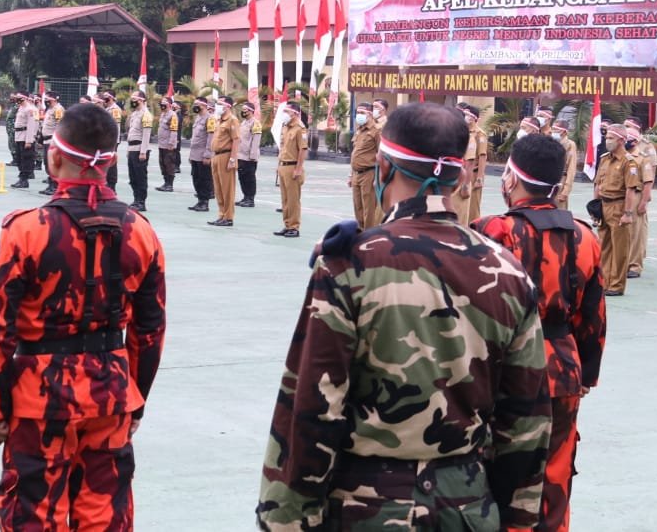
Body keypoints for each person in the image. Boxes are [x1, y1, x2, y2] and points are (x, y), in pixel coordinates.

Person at [257, 103, 550, 531]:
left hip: (366, 508)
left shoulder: (349, 265)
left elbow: (313, 408)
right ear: (462, 177)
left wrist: (285, 521)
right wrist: (518, 521)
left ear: (383, 167)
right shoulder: (507, 271)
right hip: (466, 507)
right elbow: (526, 420)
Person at [0, 102, 166, 532]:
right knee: (104, 514)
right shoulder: (140, 231)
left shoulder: (25, 231)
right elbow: (150, 329)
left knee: (34, 514)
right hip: (112, 392)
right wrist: (135, 399)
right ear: (112, 162)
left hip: (37, 397)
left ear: (54, 156)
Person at [475, 133, 606, 532]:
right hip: (561, 369)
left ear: (511, 178)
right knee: (555, 478)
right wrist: (586, 375)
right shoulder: (584, 236)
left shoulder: (492, 231)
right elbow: (593, 317)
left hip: (502, 369)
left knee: (494, 479)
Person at [593, 123, 642, 296]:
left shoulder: (629, 162)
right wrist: (595, 208)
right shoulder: (605, 158)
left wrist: (628, 213)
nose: (607, 141)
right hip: (604, 205)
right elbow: (598, 184)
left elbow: (631, 189)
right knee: (604, 247)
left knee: (619, 248)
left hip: (619, 205)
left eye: (611, 138)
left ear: (622, 140)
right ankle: (604, 281)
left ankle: (616, 285)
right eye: (607, 138)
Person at [624, 124, 657, 280]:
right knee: (622, 232)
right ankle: (622, 262)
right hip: (621, 196)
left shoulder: (642, 158)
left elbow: (648, 181)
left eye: (628, 138)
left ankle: (635, 266)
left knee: (636, 233)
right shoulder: (620, 156)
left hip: (636, 195)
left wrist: (644, 201)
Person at [274, 102, 307, 238]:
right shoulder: (285, 127)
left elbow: (303, 150)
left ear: (295, 113)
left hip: (293, 166)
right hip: (283, 165)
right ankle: (287, 224)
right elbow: (283, 148)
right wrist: (279, 165)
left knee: (293, 200)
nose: (284, 114)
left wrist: (298, 169)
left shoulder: (300, 128)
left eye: (287, 111)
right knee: (285, 199)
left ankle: (294, 226)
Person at [348, 102, 381, 229]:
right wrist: (351, 175)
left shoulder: (376, 131)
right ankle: (361, 233)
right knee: (358, 207)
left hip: (369, 173)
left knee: (369, 209)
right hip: (356, 173)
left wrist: (378, 177)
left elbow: (381, 154)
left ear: (370, 114)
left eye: (362, 113)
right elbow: (355, 153)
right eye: (357, 113)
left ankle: (369, 236)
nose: (358, 116)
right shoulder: (359, 130)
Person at [208, 95, 240, 227]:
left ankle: (228, 217)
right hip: (216, 156)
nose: (218, 106)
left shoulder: (232, 120)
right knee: (218, 188)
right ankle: (221, 214)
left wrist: (232, 159)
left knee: (227, 189)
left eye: (220, 103)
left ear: (228, 106)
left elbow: (236, 140)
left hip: (226, 156)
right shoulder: (219, 120)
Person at [455, 103, 489, 223]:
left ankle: (475, 229)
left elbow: (482, 156)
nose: (465, 118)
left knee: (473, 208)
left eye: (468, 115)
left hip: (474, 174)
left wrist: (479, 178)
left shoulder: (480, 134)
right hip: (464, 174)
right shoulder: (465, 132)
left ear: (474, 118)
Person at [125, 91, 153, 211]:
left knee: (140, 177)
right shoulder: (134, 114)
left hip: (140, 149)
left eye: (134, 99)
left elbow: (146, 134)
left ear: (141, 100)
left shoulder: (146, 114)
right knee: (133, 177)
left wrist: (143, 151)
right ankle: (136, 199)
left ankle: (141, 201)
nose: (132, 101)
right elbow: (131, 132)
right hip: (132, 148)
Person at [187, 97, 213, 213]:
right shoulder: (198, 118)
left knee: (204, 179)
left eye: (197, 104)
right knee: (196, 178)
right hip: (195, 154)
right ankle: (199, 200)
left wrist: (208, 154)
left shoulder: (210, 119)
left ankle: (205, 202)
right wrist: (190, 155)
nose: (195, 106)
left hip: (203, 154)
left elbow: (210, 138)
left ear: (204, 105)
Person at [235, 101, 263, 209]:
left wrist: (253, 156)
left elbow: (256, 141)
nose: (243, 111)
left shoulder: (255, 123)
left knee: (249, 178)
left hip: (249, 157)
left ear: (251, 111)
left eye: (245, 110)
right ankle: (245, 197)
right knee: (242, 178)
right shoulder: (243, 123)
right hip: (241, 155)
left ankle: (250, 199)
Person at [39, 93, 66, 195]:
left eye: (48, 99)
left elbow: (60, 126)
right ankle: (51, 185)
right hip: (46, 140)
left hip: (53, 140)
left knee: (53, 164)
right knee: (47, 163)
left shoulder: (58, 109)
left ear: (54, 99)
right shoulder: (50, 109)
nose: (46, 101)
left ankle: (55, 186)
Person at [551, 118, 578, 211]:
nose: (552, 131)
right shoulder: (548, 142)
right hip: (547, 182)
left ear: (563, 131)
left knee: (559, 212)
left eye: (555, 129)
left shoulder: (570, 145)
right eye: (552, 128)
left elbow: (571, 169)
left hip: (560, 182)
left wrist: (565, 191)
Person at [11, 93, 37, 189]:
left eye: (19, 98)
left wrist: (29, 140)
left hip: (25, 136)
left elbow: (31, 126)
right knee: (19, 158)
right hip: (19, 136)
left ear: (25, 98)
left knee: (26, 159)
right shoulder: (21, 108)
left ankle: (24, 179)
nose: (17, 99)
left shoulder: (30, 109)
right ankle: (21, 178)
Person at [155, 96, 180, 192]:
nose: (162, 104)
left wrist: (171, 143)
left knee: (169, 164)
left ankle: (170, 184)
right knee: (162, 164)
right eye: (162, 102)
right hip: (161, 144)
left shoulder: (172, 115)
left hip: (168, 145)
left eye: (165, 102)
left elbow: (174, 130)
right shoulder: (163, 114)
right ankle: (165, 182)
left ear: (169, 104)